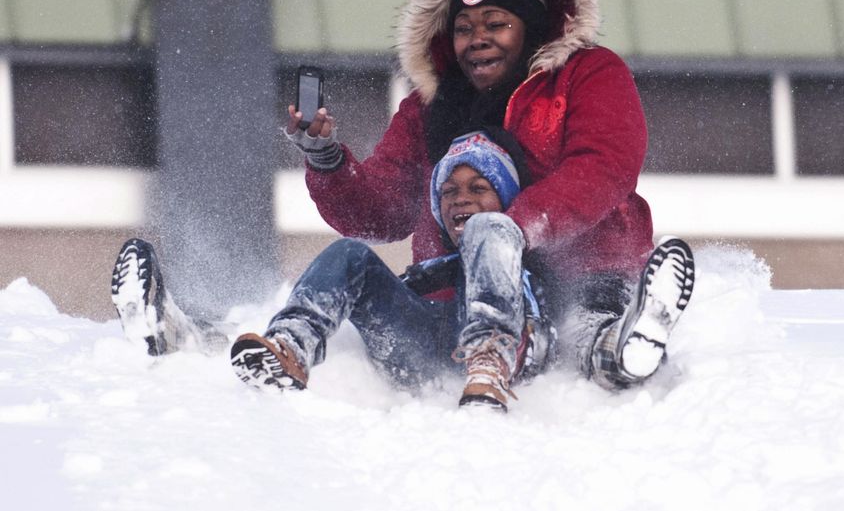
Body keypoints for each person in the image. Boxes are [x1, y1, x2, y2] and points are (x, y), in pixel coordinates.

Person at [276, 0, 694, 400]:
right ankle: (288, 349)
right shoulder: (429, 106)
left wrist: (510, 229)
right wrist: (326, 158)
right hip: (455, 297)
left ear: (532, 27)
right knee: (375, 264)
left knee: (583, 324)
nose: (477, 39)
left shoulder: (588, 74)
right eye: (463, 28)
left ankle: (619, 349)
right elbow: (382, 211)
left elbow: (604, 166)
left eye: (495, 23)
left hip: (585, 269)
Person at [112, 130, 555, 411]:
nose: (461, 198)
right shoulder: (441, 267)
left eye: (480, 188)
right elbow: (400, 285)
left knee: (490, 231)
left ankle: (488, 362)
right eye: (450, 191)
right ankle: (289, 346)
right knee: (351, 254)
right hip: (425, 347)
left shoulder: (512, 248)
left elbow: (545, 318)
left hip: (505, 352)